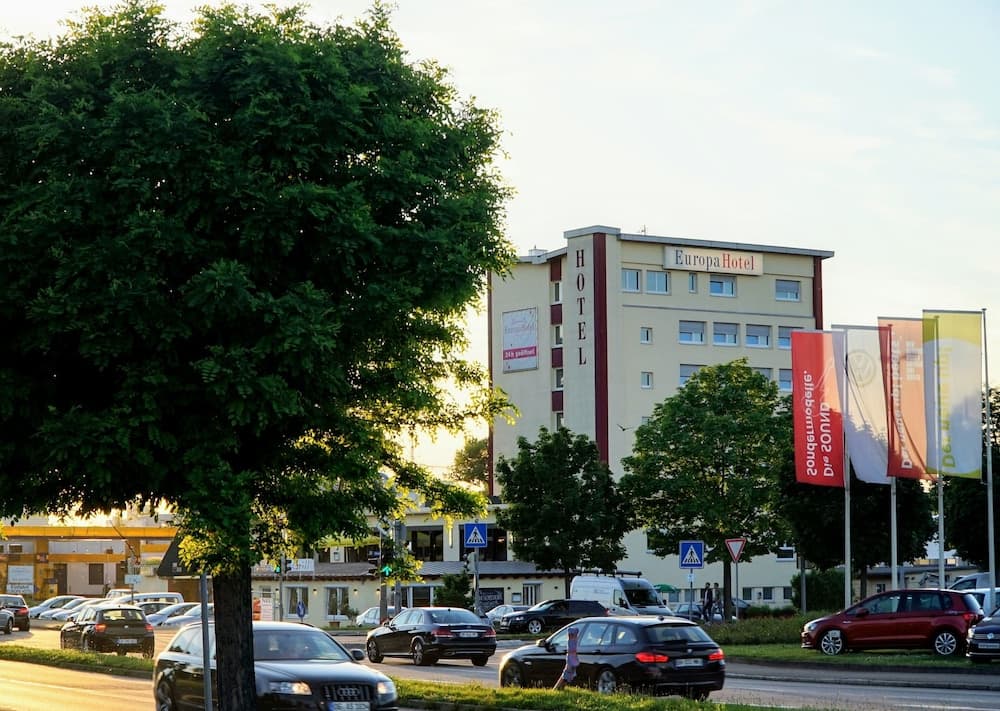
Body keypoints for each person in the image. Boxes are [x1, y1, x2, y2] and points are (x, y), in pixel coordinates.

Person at [553, 625, 579, 690]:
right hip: (570, 658)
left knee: (569, 674)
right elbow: (571, 652)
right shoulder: (570, 641)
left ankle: (561, 688)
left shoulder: (574, 640)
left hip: (572, 658)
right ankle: (556, 688)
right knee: (566, 673)